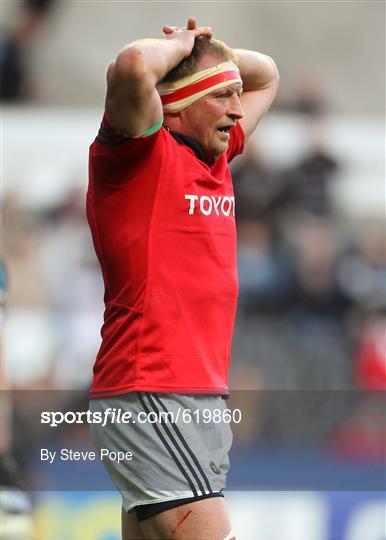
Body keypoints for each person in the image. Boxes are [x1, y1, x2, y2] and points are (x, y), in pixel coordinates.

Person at [87, 17, 279, 540]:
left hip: (193, 394)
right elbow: (131, 64)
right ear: (180, 103)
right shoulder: (137, 153)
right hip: (153, 387)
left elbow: (269, 74)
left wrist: (213, 55)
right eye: (222, 97)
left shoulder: (217, 156)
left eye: (237, 97)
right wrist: (182, 49)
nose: (239, 110)